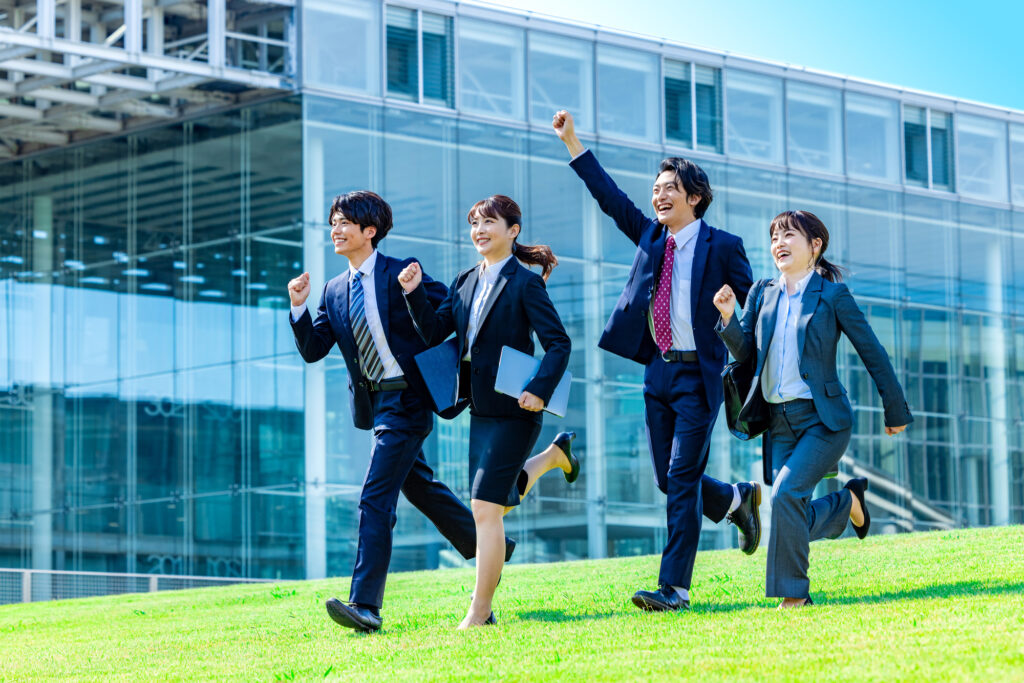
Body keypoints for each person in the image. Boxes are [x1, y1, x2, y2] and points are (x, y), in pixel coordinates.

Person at [552, 110, 759, 613]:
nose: (659, 195)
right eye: (657, 187)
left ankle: (675, 589)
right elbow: (609, 198)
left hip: (700, 373)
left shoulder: (725, 246)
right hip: (657, 370)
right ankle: (735, 500)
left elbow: (753, 307)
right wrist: (572, 141)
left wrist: (733, 309)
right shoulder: (649, 237)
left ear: (695, 197)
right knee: (669, 478)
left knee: (681, 480)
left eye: (670, 188)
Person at [287, 190, 515, 633]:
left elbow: (446, 316)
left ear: (369, 231)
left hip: (408, 400)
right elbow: (315, 350)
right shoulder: (334, 291)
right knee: (420, 489)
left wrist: (413, 293)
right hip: (376, 405)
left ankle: (366, 606)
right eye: (332, 223)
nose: (335, 230)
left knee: (375, 497)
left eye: (344, 223)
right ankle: (492, 548)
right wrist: (298, 306)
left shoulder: (400, 271)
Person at [713, 210, 913, 607]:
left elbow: (871, 351)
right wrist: (728, 319)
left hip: (824, 421)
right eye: (774, 237)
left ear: (815, 245)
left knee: (784, 495)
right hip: (779, 422)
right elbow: (748, 354)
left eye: (789, 235)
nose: (779, 244)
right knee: (792, 513)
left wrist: (895, 410)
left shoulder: (832, 296)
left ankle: (794, 598)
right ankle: (848, 504)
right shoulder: (762, 293)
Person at [399, 195, 578, 629]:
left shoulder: (524, 283)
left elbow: (559, 344)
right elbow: (437, 329)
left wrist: (539, 390)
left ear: (512, 231)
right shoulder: (465, 280)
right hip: (479, 411)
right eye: (474, 224)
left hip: (517, 411)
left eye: (489, 223)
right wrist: (414, 292)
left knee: (484, 507)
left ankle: (480, 613)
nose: (479, 231)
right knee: (493, 501)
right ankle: (556, 456)